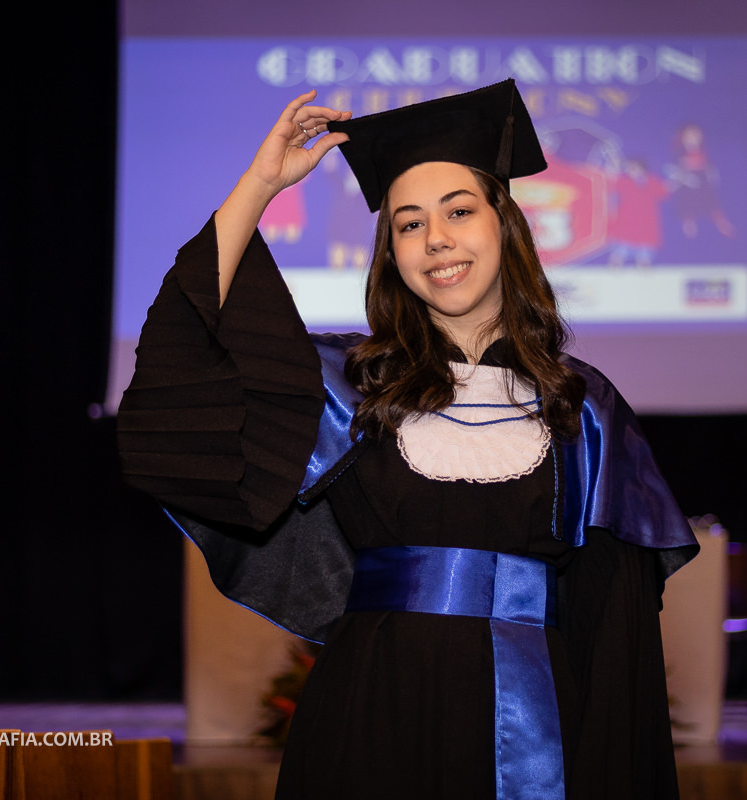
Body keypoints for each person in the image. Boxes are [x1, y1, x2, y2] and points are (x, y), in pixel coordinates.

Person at [118, 80, 699, 800]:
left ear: (505, 227)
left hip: (534, 725)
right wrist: (260, 185)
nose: (438, 241)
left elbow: (617, 629)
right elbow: (189, 349)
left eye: (459, 211)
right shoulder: (347, 390)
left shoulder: (583, 407)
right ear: (390, 252)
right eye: (409, 224)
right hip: (368, 716)